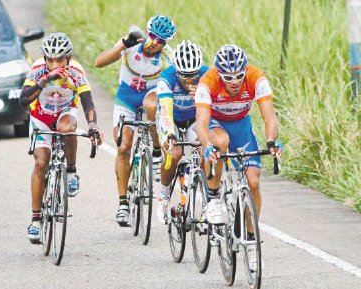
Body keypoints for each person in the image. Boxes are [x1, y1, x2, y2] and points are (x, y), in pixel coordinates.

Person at [195, 44, 283, 268]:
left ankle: (252, 243)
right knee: (220, 142)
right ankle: (214, 196)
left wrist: (271, 141)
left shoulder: (256, 78)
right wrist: (207, 146)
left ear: (245, 70)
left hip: (242, 127)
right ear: (219, 73)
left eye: (238, 76)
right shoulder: (208, 82)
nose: (234, 81)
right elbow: (201, 124)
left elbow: (269, 118)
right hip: (216, 124)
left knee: (253, 182)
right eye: (228, 77)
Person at [20, 32, 103, 243]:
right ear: (45, 59)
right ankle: (36, 220)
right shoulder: (38, 69)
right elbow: (23, 100)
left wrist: (93, 126)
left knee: (67, 128)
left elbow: (88, 102)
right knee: (41, 163)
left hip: (65, 113)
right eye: (50, 59)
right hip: (40, 117)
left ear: (69, 58)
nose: (54, 63)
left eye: (59, 59)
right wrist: (43, 81)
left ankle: (72, 171)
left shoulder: (76, 71)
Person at [94, 15, 177, 227]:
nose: (155, 43)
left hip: (151, 94)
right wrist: (123, 44)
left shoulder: (168, 56)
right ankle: (123, 204)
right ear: (147, 33)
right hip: (127, 97)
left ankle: (157, 152)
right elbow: (99, 62)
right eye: (153, 37)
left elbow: (180, 81)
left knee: (151, 105)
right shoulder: (132, 43)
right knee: (123, 147)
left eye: (161, 40)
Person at [156, 40, 208, 224]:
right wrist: (169, 133)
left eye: (193, 75)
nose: (189, 81)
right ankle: (163, 195)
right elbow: (165, 111)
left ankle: (204, 200)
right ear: (176, 70)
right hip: (171, 119)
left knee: (203, 151)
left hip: (195, 119)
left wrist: (201, 98)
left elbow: (213, 111)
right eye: (184, 76)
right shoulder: (167, 78)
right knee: (175, 152)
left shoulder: (207, 76)